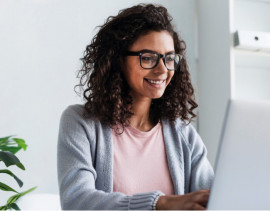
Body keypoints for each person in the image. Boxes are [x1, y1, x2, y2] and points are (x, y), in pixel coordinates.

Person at [57, 3, 214, 210]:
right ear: (118, 60)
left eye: (169, 58)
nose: (162, 70)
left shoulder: (184, 135)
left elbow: (214, 198)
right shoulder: (81, 123)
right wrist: (159, 203)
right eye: (148, 58)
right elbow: (77, 201)